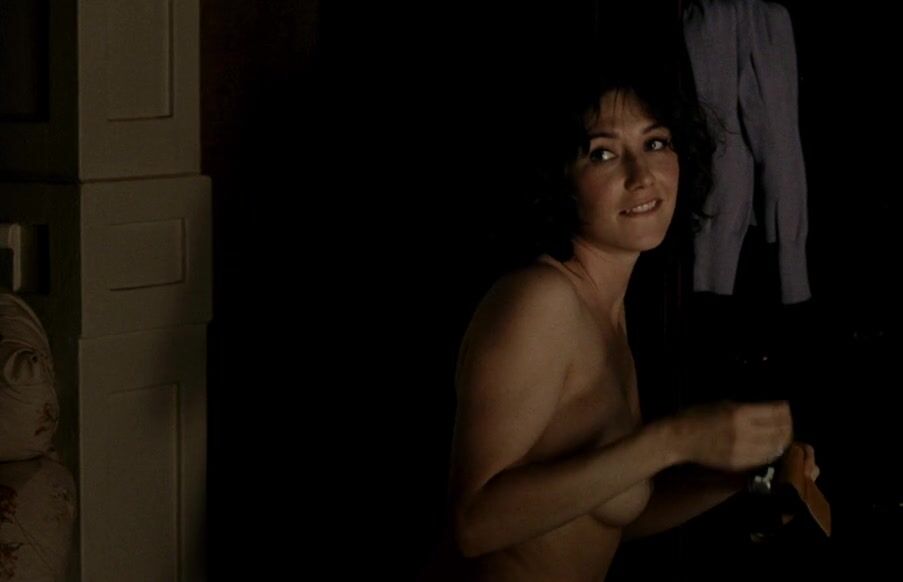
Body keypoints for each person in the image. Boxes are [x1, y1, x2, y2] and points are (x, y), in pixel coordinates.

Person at [418, 13, 819, 582]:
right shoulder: (540, 300)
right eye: (603, 153)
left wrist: (739, 477)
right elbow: (474, 525)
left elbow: (602, 517)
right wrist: (676, 439)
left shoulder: (608, 308)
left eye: (656, 143)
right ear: (557, 176)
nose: (642, 175)